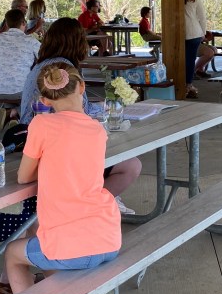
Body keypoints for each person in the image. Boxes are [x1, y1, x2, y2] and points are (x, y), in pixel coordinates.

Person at [5, 63, 121, 294]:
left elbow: (23, 176)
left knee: (14, 254)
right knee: (40, 241)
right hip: (108, 239)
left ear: (44, 100)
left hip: (72, 246)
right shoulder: (97, 129)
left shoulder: (42, 125)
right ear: (82, 87)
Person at [18, 18, 141, 217]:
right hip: (58, 145)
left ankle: (92, 202)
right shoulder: (64, 69)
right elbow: (80, 112)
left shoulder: (41, 66)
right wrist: (107, 106)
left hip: (30, 140)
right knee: (131, 165)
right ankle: (94, 205)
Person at [0, 8, 42, 96]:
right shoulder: (30, 40)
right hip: (20, 91)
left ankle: (11, 108)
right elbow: (45, 57)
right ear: (24, 23)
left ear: (6, 24)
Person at [183, 0, 208, 99]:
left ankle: (178, 83)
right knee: (190, 60)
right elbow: (202, 17)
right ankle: (188, 85)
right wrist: (203, 32)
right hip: (194, 32)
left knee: (179, 60)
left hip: (177, 33)